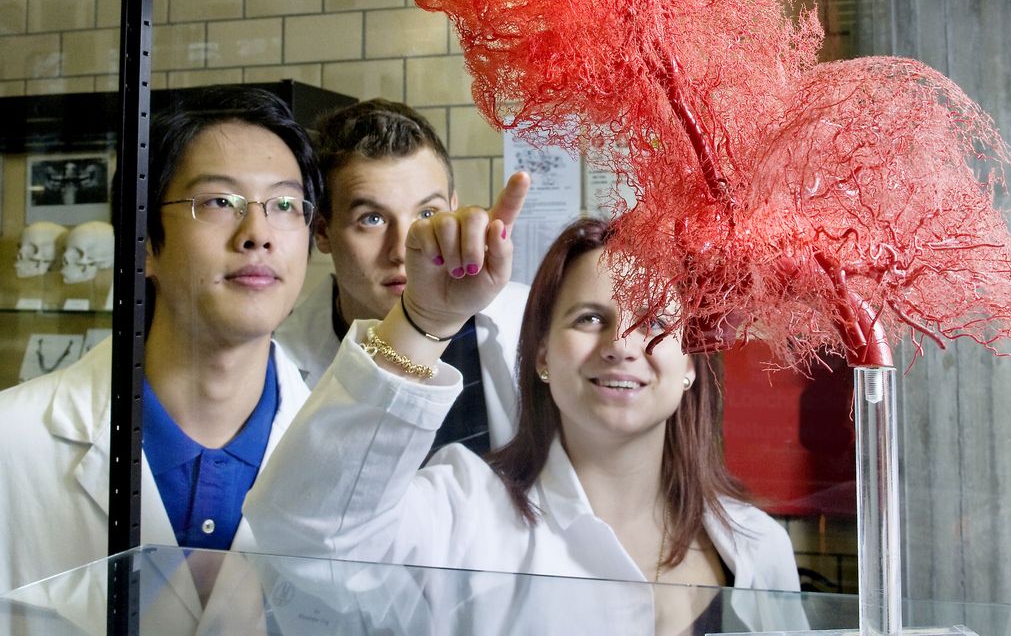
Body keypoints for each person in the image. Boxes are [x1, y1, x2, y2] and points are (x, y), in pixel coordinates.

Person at [246, 215, 800, 634]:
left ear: (690, 367)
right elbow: (309, 535)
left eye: (653, 321)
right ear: (540, 356)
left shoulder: (757, 548)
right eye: (590, 318)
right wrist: (424, 320)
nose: (621, 345)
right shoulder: (464, 510)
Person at [0, 86, 320, 594]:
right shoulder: (11, 442)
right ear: (144, 245)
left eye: (284, 203)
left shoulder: (338, 448)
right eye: (220, 201)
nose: (258, 233)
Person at [274, 98, 527, 454]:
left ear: (454, 208)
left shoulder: (527, 320)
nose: (405, 249)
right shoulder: (281, 361)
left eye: (427, 214)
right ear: (322, 232)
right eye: (371, 219)